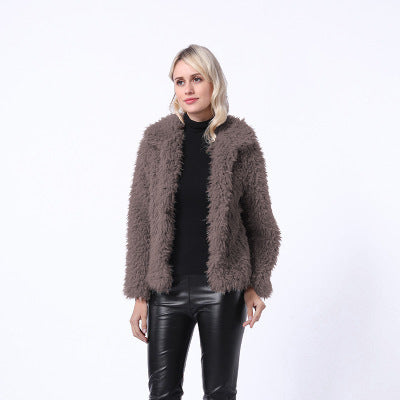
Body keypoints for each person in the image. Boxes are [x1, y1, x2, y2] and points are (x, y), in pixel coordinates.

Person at [123, 44, 282, 400]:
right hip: (166, 289)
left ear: (214, 82)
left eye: (196, 79)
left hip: (222, 290)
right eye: (180, 81)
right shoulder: (156, 141)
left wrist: (256, 284)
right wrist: (140, 294)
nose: (188, 89)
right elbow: (140, 221)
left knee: (220, 393)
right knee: (162, 393)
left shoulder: (240, 142)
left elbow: (262, 223)